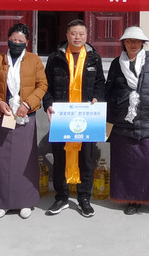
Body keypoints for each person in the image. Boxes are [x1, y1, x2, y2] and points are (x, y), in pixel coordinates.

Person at [104, 26, 149, 219]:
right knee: (128, 164)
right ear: (123, 44)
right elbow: (109, 90)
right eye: (128, 41)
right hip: (122, 122)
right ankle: (133, 200)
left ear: (142, 43)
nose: (132, 44)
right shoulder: (117, 63)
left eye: (136, 41)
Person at [0, 23, 48, 220]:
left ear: (27, 42)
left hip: (25, 116)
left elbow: (42, 85)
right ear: (8, 40)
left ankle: (25, 201)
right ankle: (1, 202)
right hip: (2, 116)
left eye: (20, 41)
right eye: (13, 40)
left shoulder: (34, 60)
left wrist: (27, 104)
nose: (16, 43)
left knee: (24, 161)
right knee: (0, 161)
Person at [43, 19, 106, 218]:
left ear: (86, 36)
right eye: (73, 33)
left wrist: (97, 97)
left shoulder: (94, 58)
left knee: (86, 159)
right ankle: (61, 197)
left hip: (86, 117)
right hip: (63, 117)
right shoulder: (56, 57)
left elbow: (100, 83)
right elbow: (46, 86)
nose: (77, 37)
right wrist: (48, 104)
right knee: (60, 159)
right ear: (67, 35)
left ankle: (84, 198)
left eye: (81, 34)